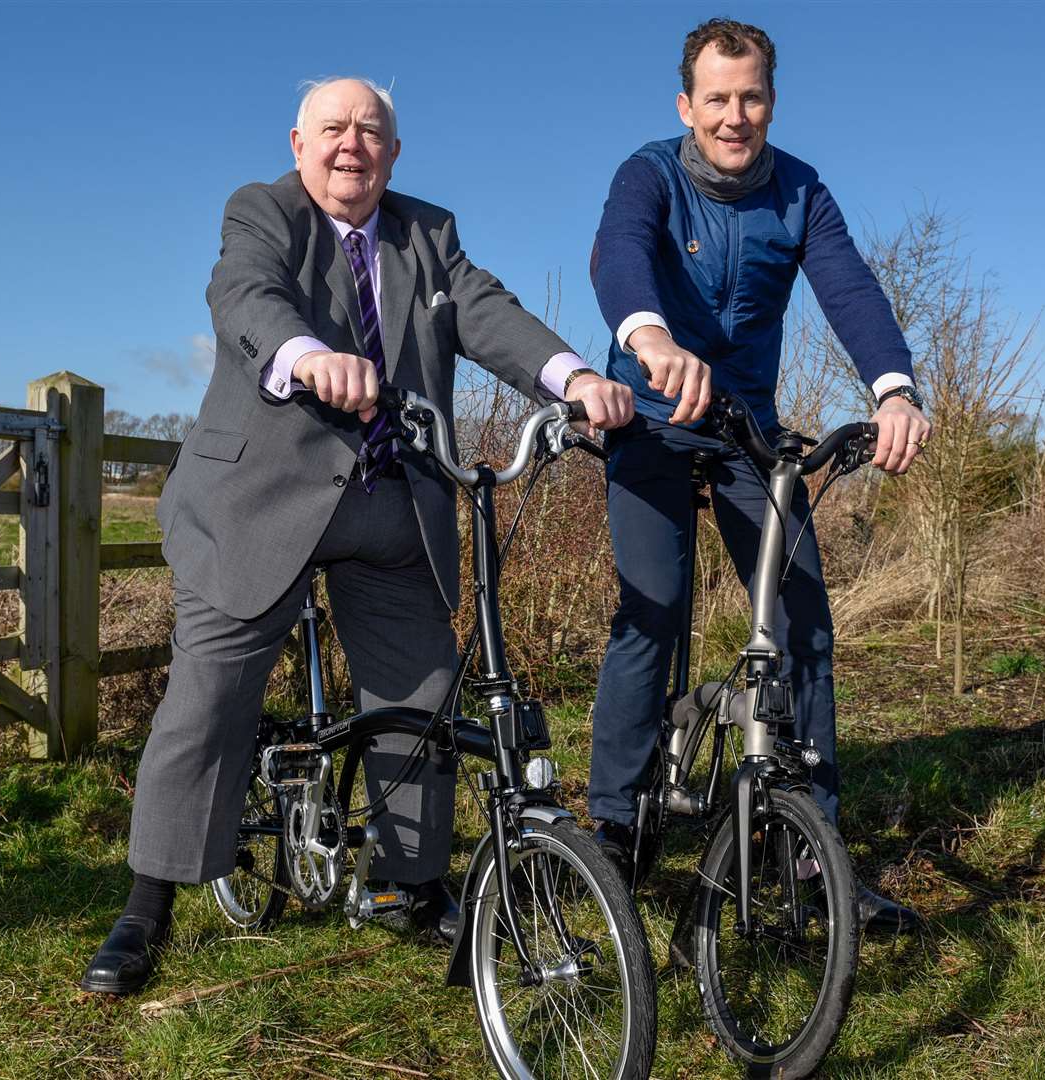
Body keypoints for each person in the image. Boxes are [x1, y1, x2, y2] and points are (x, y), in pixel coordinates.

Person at [81, 77, 635, 995]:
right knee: (210, 695)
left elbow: (486, 313)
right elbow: (247, 298)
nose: (352, 146)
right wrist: (309, 358)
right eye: (334, 129)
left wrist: (571, 376)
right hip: (254, 501)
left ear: (395, 153)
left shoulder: (429, 232)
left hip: (388, 504)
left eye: (371, 132)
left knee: (419, 698)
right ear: (299, 141)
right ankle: (147, 904)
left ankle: (413, 885)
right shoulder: (262, 212)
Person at [586, 19, 932, 933]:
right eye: (717, 99)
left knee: (804, 620)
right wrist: (649, 339)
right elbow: (618, 253)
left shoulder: (801, 190)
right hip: (654, 422)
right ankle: (612, 832)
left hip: (746, 431)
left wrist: (894, 389)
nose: (734, 117)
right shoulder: (649, 173)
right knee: (650, 612)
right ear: (686, 105)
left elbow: (850, 287)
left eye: (751, 99)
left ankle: (811, 847)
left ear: (770, 101)